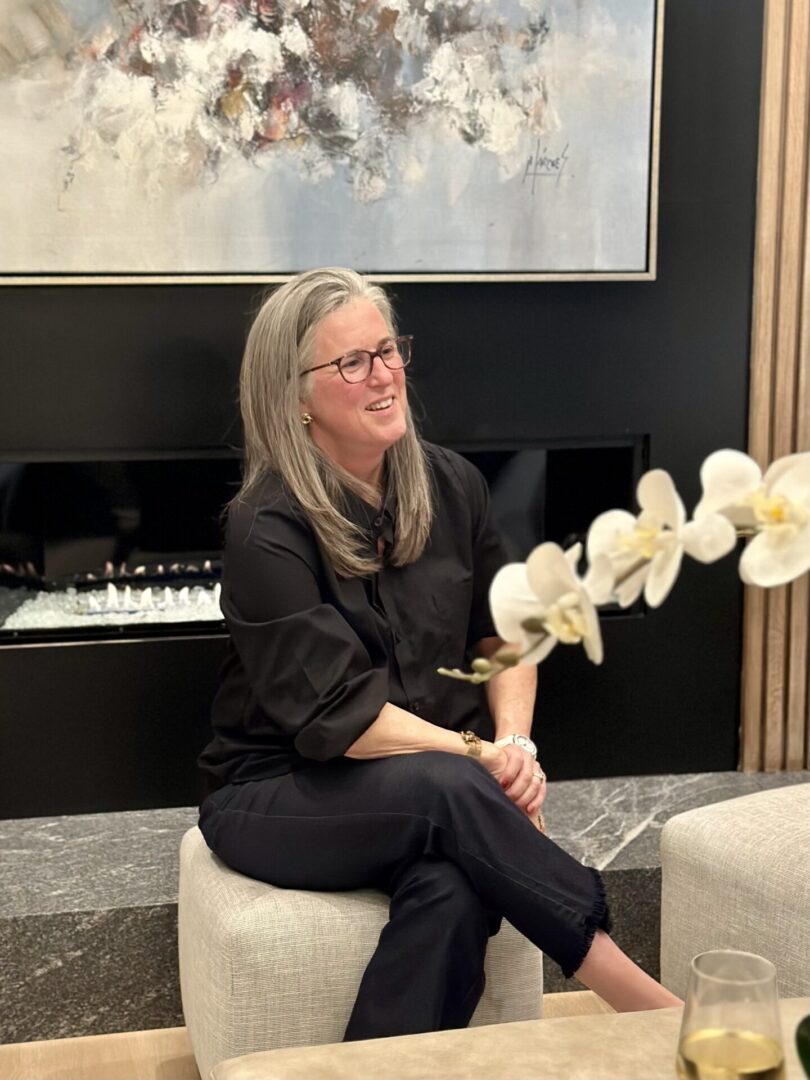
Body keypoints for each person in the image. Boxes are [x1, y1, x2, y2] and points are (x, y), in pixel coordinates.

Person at [198, 267, 681, 1040]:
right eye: (351, 362)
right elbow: (342, 718)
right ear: (294, 395)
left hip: (424, 788)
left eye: (388, 350)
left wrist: (514, 742)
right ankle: (653, 1013)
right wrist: (477, 758)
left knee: (455, 888)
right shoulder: (266, 528)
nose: (385, 375)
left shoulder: (451, 484)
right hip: (280, 791)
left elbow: (513, 630)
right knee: (448, 788)